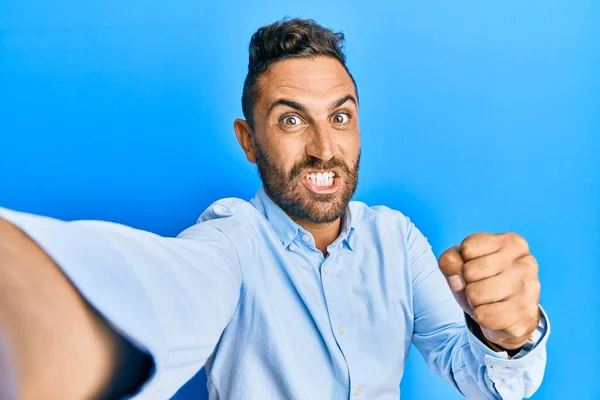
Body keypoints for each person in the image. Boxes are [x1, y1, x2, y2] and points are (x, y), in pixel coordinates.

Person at [0, 18, 549, 399]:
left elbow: (483, 380)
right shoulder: (231, 239)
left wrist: (508, 337)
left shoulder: (397, 239)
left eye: (340, 117)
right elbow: (162, 293)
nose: (324, 148)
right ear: (247, 140)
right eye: (291, 119)